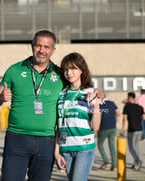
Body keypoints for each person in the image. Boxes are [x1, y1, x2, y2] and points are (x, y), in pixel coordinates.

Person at [0, 30, 66, 181]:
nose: (41, 50)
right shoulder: (15, 70)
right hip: (17, 138)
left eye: (46, 47)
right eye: (38, 45)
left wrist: (95, 95)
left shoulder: (60, 74)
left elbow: (79, 88)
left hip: (47, 141)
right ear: (32, 46)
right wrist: (1, 97)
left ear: (53, 50)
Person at [54, 52, 102, 181]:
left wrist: (96, 106)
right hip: (66, 150)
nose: (69, 73)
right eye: (66, 69)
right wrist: (56, 152)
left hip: (84, 149)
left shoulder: (90, 93)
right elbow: (58, 126)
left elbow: (95, 127)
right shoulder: (61, 95)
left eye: (73, 68)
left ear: (82, 70)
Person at [120, 92, 145, 171]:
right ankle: (135, 163)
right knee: (136, 147)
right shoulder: (140, 107)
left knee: (131, 147)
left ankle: (138, 161)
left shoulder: (127, 106)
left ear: (129, 98)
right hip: (140, 129)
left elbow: (124, 118)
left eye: (127, 98)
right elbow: (143, 118)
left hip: (132, 129)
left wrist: (123, 129)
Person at [97, 96, 120, 171]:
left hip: (104, 127)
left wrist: (97, 129)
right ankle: (115, 166)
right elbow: (118, 113)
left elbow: (99, 116)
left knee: (100, 144)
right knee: (112, 146)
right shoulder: (112, 103)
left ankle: (106, 161)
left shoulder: (100, 104)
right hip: (113, 127)